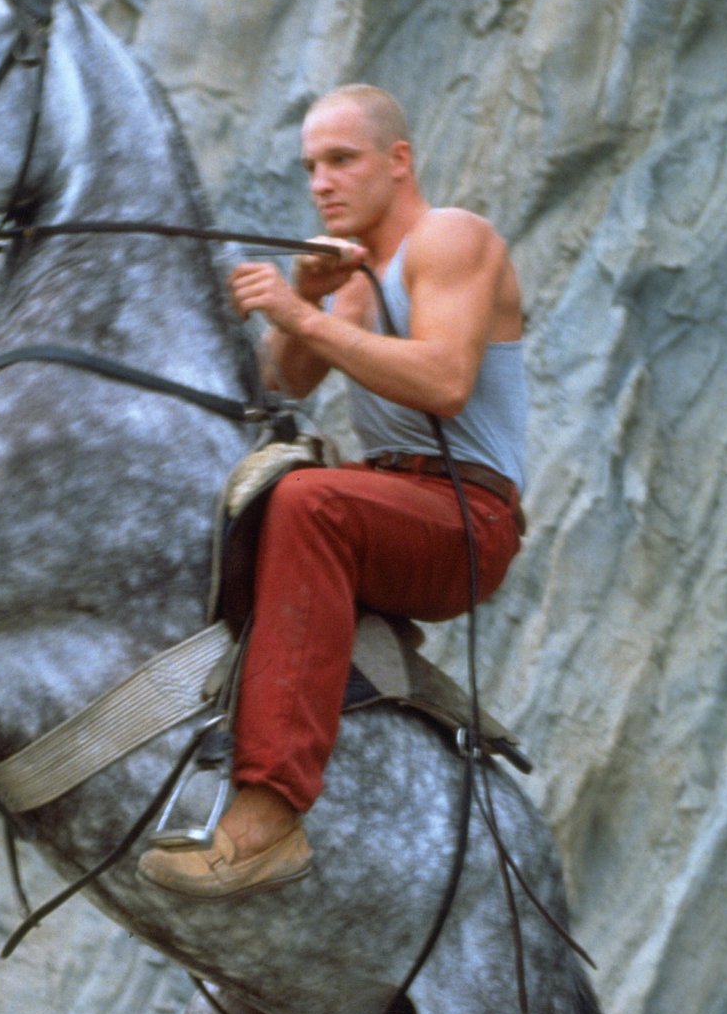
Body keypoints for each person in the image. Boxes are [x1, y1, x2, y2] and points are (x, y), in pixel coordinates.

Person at [139, 83, 527, 899]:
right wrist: (308, 299)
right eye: (311, 165)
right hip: (380, 498)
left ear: (397, 162)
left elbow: (446, 381)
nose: (320, 181)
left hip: (466, 518)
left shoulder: (449, 238)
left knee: (305, 499)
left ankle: (271, 812)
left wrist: (300, 313)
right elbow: (279, 382)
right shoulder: (349, 279)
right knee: (234, 496)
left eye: (341, 160)